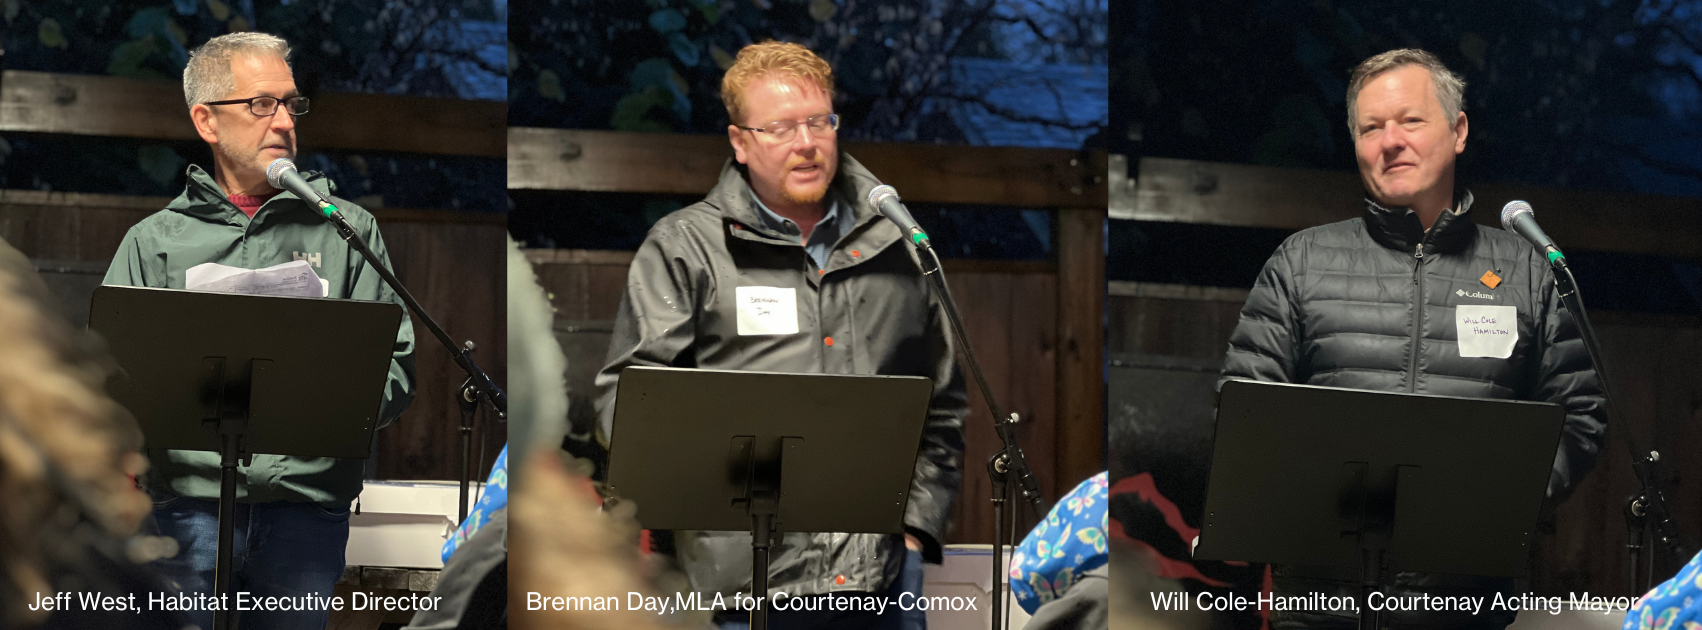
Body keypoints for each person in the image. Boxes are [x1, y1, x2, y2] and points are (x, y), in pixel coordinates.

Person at [1218, 48, 1607, 630]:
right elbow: (1244, 405)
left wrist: (1500, 504)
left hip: (1463, 604)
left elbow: (1579, 412)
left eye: (1410, 121)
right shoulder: (1302, 262)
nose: (1389, 141)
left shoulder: (1526, 271)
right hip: (1319, 605)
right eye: (1370, 128)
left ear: (1458, 132)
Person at [593, 40, 968, 630]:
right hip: (736, 590)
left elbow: (942, 405)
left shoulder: (901, 244)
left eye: (820, 121)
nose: (806, 143)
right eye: (781, 128)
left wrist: (917, 528)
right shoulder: (685, 247)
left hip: (880, 583)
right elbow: (628, 407)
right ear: (740, 142)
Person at [101, 32, 416, 630]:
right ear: (207, 121)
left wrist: (322, 413)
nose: (283, 121)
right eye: (260, 103)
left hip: (304, 511)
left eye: (291, 104)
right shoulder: (152, 242)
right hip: (183, 510)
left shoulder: (348, 231)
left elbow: (396, 367)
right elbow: (109, 379)